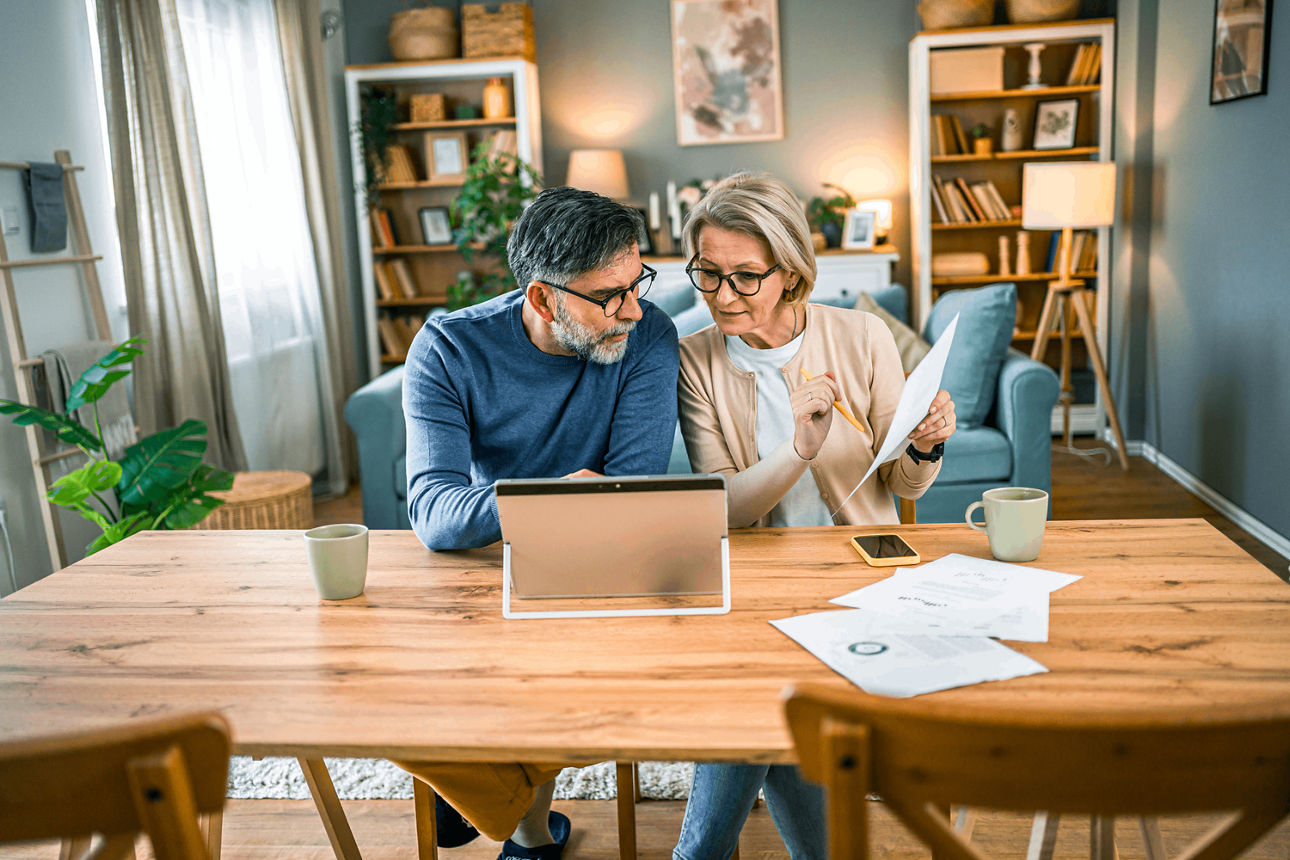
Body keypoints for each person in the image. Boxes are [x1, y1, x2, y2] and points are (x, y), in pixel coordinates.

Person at [673, 172, 956, 860]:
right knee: (773, 717)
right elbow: (724, 509)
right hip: (752, 592)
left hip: (858, 584)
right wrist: (798, 449)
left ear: (790, 272)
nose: (721, 295)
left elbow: (900, 477)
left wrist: (928, 441)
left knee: (762, 731)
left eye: (745, 277)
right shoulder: (695, 360)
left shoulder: (861, 336)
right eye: (706, 274)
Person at [396, 185, 680, 860]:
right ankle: (495, 795)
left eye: (637, 281)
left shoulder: (646, 337)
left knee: (555, 642)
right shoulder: (447, 348)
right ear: (543, 297)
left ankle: (510, 817)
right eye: (610, 295)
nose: (633, 308)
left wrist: (564, 514)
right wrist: (550, 498)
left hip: (593, 556)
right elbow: (434, 514)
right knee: (379, 677)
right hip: (484, 554)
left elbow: (632, 491)